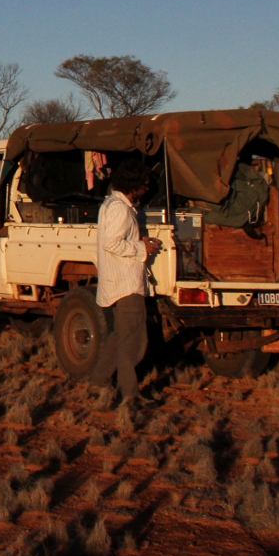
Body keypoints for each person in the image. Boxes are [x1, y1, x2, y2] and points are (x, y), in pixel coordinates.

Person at [89, 159, 162, 403]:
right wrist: (142, 247)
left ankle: (99, 381)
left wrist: (140, 242)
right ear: (134, 185)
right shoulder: (120, 209)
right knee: (133, 341)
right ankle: (130, 393)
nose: (147, 188)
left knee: (120, 336)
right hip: (126, 282)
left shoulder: (113, 203)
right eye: (144, 184)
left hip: (119, 281)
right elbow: (111, 243)